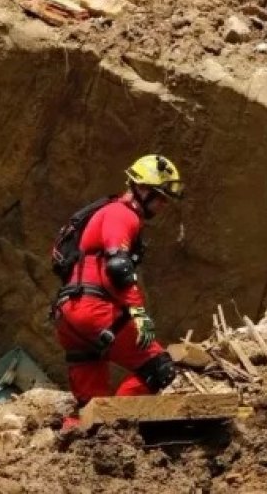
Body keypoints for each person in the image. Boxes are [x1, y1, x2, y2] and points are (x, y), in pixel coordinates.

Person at [53, 155, 184, 424]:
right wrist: (138, 312)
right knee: (159, 370)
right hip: (95, 311)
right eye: (160, 196)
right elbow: (119, 265)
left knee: (91, 408)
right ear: (142, 189)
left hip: (68, 315)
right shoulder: (122, 214)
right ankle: (121, 425)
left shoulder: (104, 213)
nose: (163, 204)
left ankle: (84, 441)